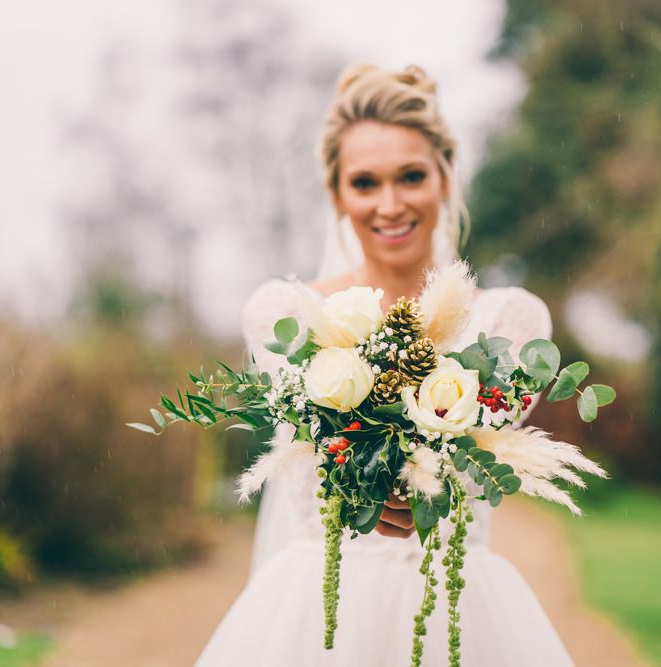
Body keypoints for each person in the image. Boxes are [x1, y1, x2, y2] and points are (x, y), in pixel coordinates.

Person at [195, 64, 574, 666]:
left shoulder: (510, 325)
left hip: (458, 607)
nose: (390, 204)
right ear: (337, 194)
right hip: (316, 616)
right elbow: (321, 449)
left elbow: (476, 454)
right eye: (365, 183)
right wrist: (365, 488)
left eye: (411, 176)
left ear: (446, 179)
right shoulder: (286, 315)